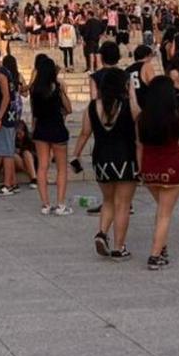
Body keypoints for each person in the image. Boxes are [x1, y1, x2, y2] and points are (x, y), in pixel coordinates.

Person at [73, 67, 138, 260]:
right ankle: (119, 247)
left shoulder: (92, 107)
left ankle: (102, 232)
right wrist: (133, 94)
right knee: (123, 204)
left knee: (108, 200)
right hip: (125, 157)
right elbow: (139, 119)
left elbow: (85, 132)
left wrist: (75, 154)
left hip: (101, 158)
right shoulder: (126, 105)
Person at [137, 76, 179, 271]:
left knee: (161, 209)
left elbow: (139, 145)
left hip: (149, 168)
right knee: (165, 213)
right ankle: (154, 255)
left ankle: (162, 246)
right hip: (171, 166)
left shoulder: (142, 117)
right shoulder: (176, 115)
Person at [30, 55, 72, 215]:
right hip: (57, 128)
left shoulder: (35, 90)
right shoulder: (56, 88)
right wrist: (62, 92)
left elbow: (35, 112)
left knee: (42, 166)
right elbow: (68, 109)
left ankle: (45, 204)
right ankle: (60, 204)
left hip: (41, 129)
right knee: (61, 168)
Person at [0, 50, 23, 196]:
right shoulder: (7, 72)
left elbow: (6, 97)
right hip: (11, 115)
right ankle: (13, 182)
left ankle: (8, 184)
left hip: (6, 117)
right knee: (7, 150)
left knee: (6, 152)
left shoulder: (1, 73)